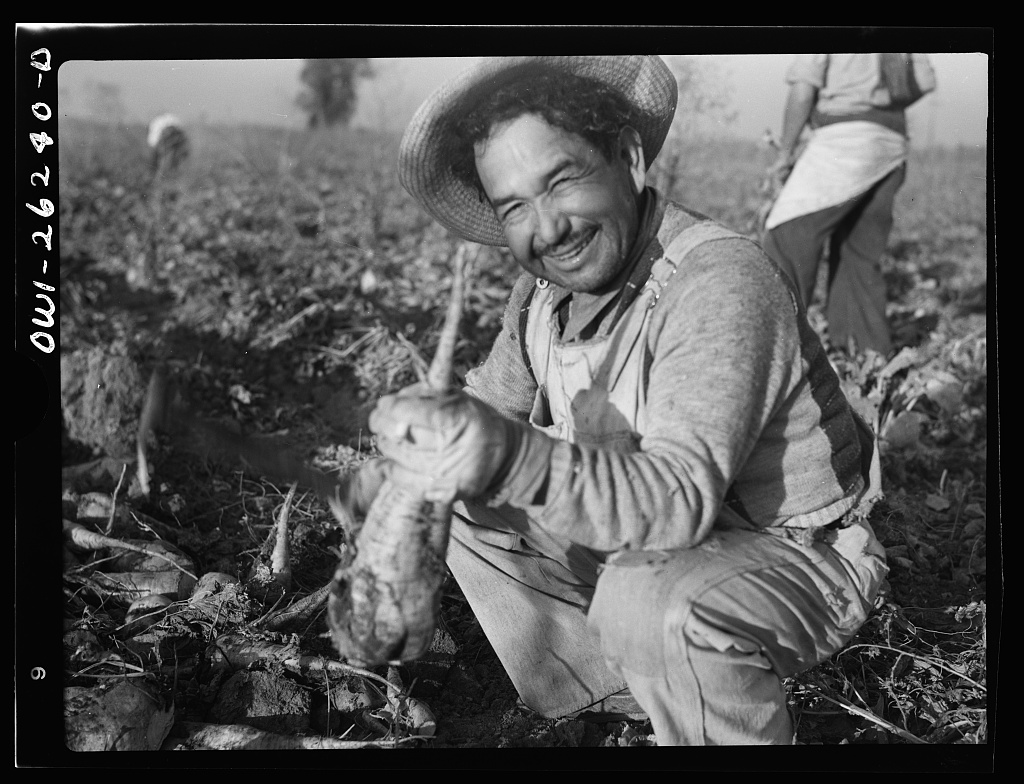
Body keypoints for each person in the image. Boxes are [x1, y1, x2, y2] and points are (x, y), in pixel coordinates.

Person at [355, 56, 889, 746]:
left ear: (630, 158)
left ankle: (705, 701)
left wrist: (504, 454)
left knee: (650, 600)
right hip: (635, 540)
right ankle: (615, 701)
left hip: (793, 555)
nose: (548, 229)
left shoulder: (718, 280)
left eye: (562, 181)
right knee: (439, 486)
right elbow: (486, 410)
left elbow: (675, 503)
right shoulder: (543, 296)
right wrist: (403, 461)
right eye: (516, 206)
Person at [761, 53, 937, 357]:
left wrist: (785, 154)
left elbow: (803, 90)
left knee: (785, 236)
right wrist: (878, 99)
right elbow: (924, 80)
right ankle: (865, 358)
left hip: (843, 142)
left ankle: (777, 353)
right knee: (858, 253)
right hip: (890, 145)